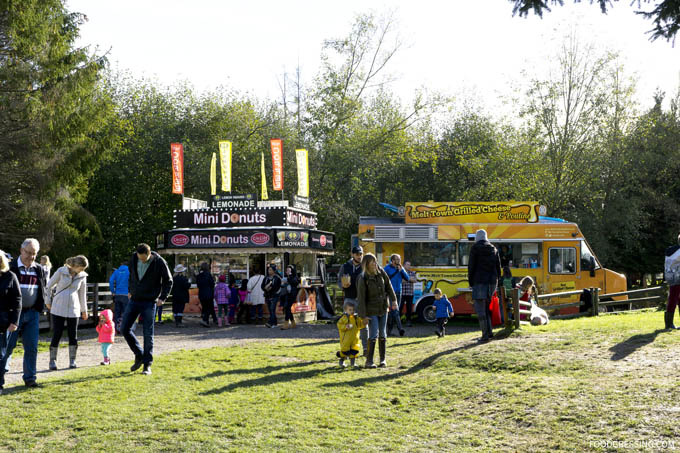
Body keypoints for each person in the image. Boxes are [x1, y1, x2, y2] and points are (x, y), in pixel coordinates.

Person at [121, 243, 173, 376]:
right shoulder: (134, 258)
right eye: (140, 258)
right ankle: (139, 354)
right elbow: (131, 275)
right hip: (134, 299)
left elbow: (168, 281)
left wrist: (163, 298)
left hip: (150, 301)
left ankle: (147, 365)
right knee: (124, 328)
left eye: (144, 258)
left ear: (149, 254)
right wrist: (130, 290)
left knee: (147, 333)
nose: (141, 260)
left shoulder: (159, 262)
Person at [3, 238, 48, 388]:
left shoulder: (38, 269)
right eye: (28, 252)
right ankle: (1, 378)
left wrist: (40, 307)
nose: (31, 256)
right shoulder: (10, 267)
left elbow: (42, 289)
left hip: (32, 313)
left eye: (34, 254)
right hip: (13, 314)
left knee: (32, 347)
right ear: (21, 250)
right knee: (7, 347)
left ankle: (30, 378)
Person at [46, 255, 89, 370]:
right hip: (58, 307)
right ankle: (52, 360)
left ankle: (72, 360)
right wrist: (48, 301)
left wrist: (84, 310)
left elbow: (82, 294)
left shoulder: (82, 276)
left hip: (73, 308)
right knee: (57, 333)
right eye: (81, 268)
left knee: (72, 335)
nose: (82, 271)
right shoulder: (61, 271)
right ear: (75, 265)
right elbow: (49, 286)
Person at [357, 252, 397, 368]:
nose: (374, 263)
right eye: (372, 262)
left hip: (383, 308)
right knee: (373, 334)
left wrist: (394, 300)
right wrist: (363, 316)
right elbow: (361, 298)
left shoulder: (381, 272)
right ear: (366, 264)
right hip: (371, 310)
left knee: (383, 334)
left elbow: (389, 286)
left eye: (375, 261)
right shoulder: (363, 278)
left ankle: (382, 360)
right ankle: (369, 361)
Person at [468, 229, 501, 343]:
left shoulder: (475, 248)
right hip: (492, 282)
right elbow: (498, 267)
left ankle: (485, 335)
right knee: (487, 308)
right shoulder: (494, 249)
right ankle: (490, 332)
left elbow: (471, 267)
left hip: (479, 281)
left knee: (480, 309)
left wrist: (471, 282)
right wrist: (497, 280)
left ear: (477, 237)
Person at [0, 250, 21, 395]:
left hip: (2, 322)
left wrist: (14, 321)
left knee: (0, 355)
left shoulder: (10, 276)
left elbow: (17, 300)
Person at [338, 245, 367, 350]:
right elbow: (338, 281)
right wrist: (343, 285)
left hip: (361, 300)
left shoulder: (365, 266)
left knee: (363, 324)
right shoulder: (345, 266)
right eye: (357, 254)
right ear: (352, 255)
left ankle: (366, 349)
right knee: (348, 324)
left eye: (361, 254)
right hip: (349, 299)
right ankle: (346, 348)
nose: (359, 256)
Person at [383, 254, 412, 337]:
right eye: (397, 259)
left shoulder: (400, 268)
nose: (399, 261)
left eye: (399, 259)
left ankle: (389, 331)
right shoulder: (387, 268)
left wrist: (401, 270)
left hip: (399, 292)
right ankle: (400, 329)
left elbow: (407, 278)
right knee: (395, 311)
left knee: (394, 312)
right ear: (392, 260)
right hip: (390, 292)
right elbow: (383, 278)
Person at [336, 300, 367, 368]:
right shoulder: (343, 318)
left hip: (354, 338)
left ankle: (353, 363)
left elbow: (360, 325)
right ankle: (342, 361)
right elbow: (339, 325)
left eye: (353, 310)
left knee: (354, 350)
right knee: (345, 351)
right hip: (346, 339)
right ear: (345, 310)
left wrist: (364, 323)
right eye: (350, 310)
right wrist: (345, 327)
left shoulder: (356, 318)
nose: (352, 311)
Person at [109, 261, 130, 333]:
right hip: (126, 295)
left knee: (117, 312)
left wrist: (113, 291)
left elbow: (111, 281)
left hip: (117, 294)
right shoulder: (129, 271)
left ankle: (115, 329)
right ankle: (124, 329)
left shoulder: (116, 271)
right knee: (125, 312)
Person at [665, 234, 680, 329]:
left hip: (671, 276)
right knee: (673, 299)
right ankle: (669, 324)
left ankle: (669, 323)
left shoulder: (670, 251)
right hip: (678, 277)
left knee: (674, 298)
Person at [197, 262, 216, 327]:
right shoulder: (209, 275)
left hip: (201, 294)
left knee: (204, 308)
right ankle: (205, 320)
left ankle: (206, 322)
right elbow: (212, 284)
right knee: (209, 308)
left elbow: (198, 285)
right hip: (208, 294)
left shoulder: (199, 275)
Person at [262, 264, 282, 328]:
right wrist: (266, 288)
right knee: (270, 310)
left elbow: (280, 287)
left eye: (270, 270)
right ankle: (275, 322)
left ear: (274, 271)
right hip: (267, 295)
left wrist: (274, 290)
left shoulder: (277, 278)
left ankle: (271, 323)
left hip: (274, 296)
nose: (269, 271)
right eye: (268, 270)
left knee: (272, 309)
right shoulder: (266, 278)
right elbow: (262, 286)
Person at [281, 265, 299, 330]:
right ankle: (293, 323)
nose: (287, 272)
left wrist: (290, 276)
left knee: (288, 308)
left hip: (292, 295)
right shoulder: (287, 277)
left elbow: (294, 282)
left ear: (292, 271)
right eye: (287, 270)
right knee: (287, 308)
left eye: (289, 270)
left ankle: (286, 324)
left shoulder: (295, 277)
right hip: (287, 294)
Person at [401, 261, 417, 327]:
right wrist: (410, 279)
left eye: (409, 265)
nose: (409, 266)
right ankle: (397, 322)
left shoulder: (412, 273)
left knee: (409, 309)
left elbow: (415, 280)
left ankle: (409, 321)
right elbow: (400, 281)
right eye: (407, 265)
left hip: (410, 293)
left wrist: (406, 279)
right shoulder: (400, 272)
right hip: (401, 293)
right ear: (404, 265)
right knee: (399, 307)